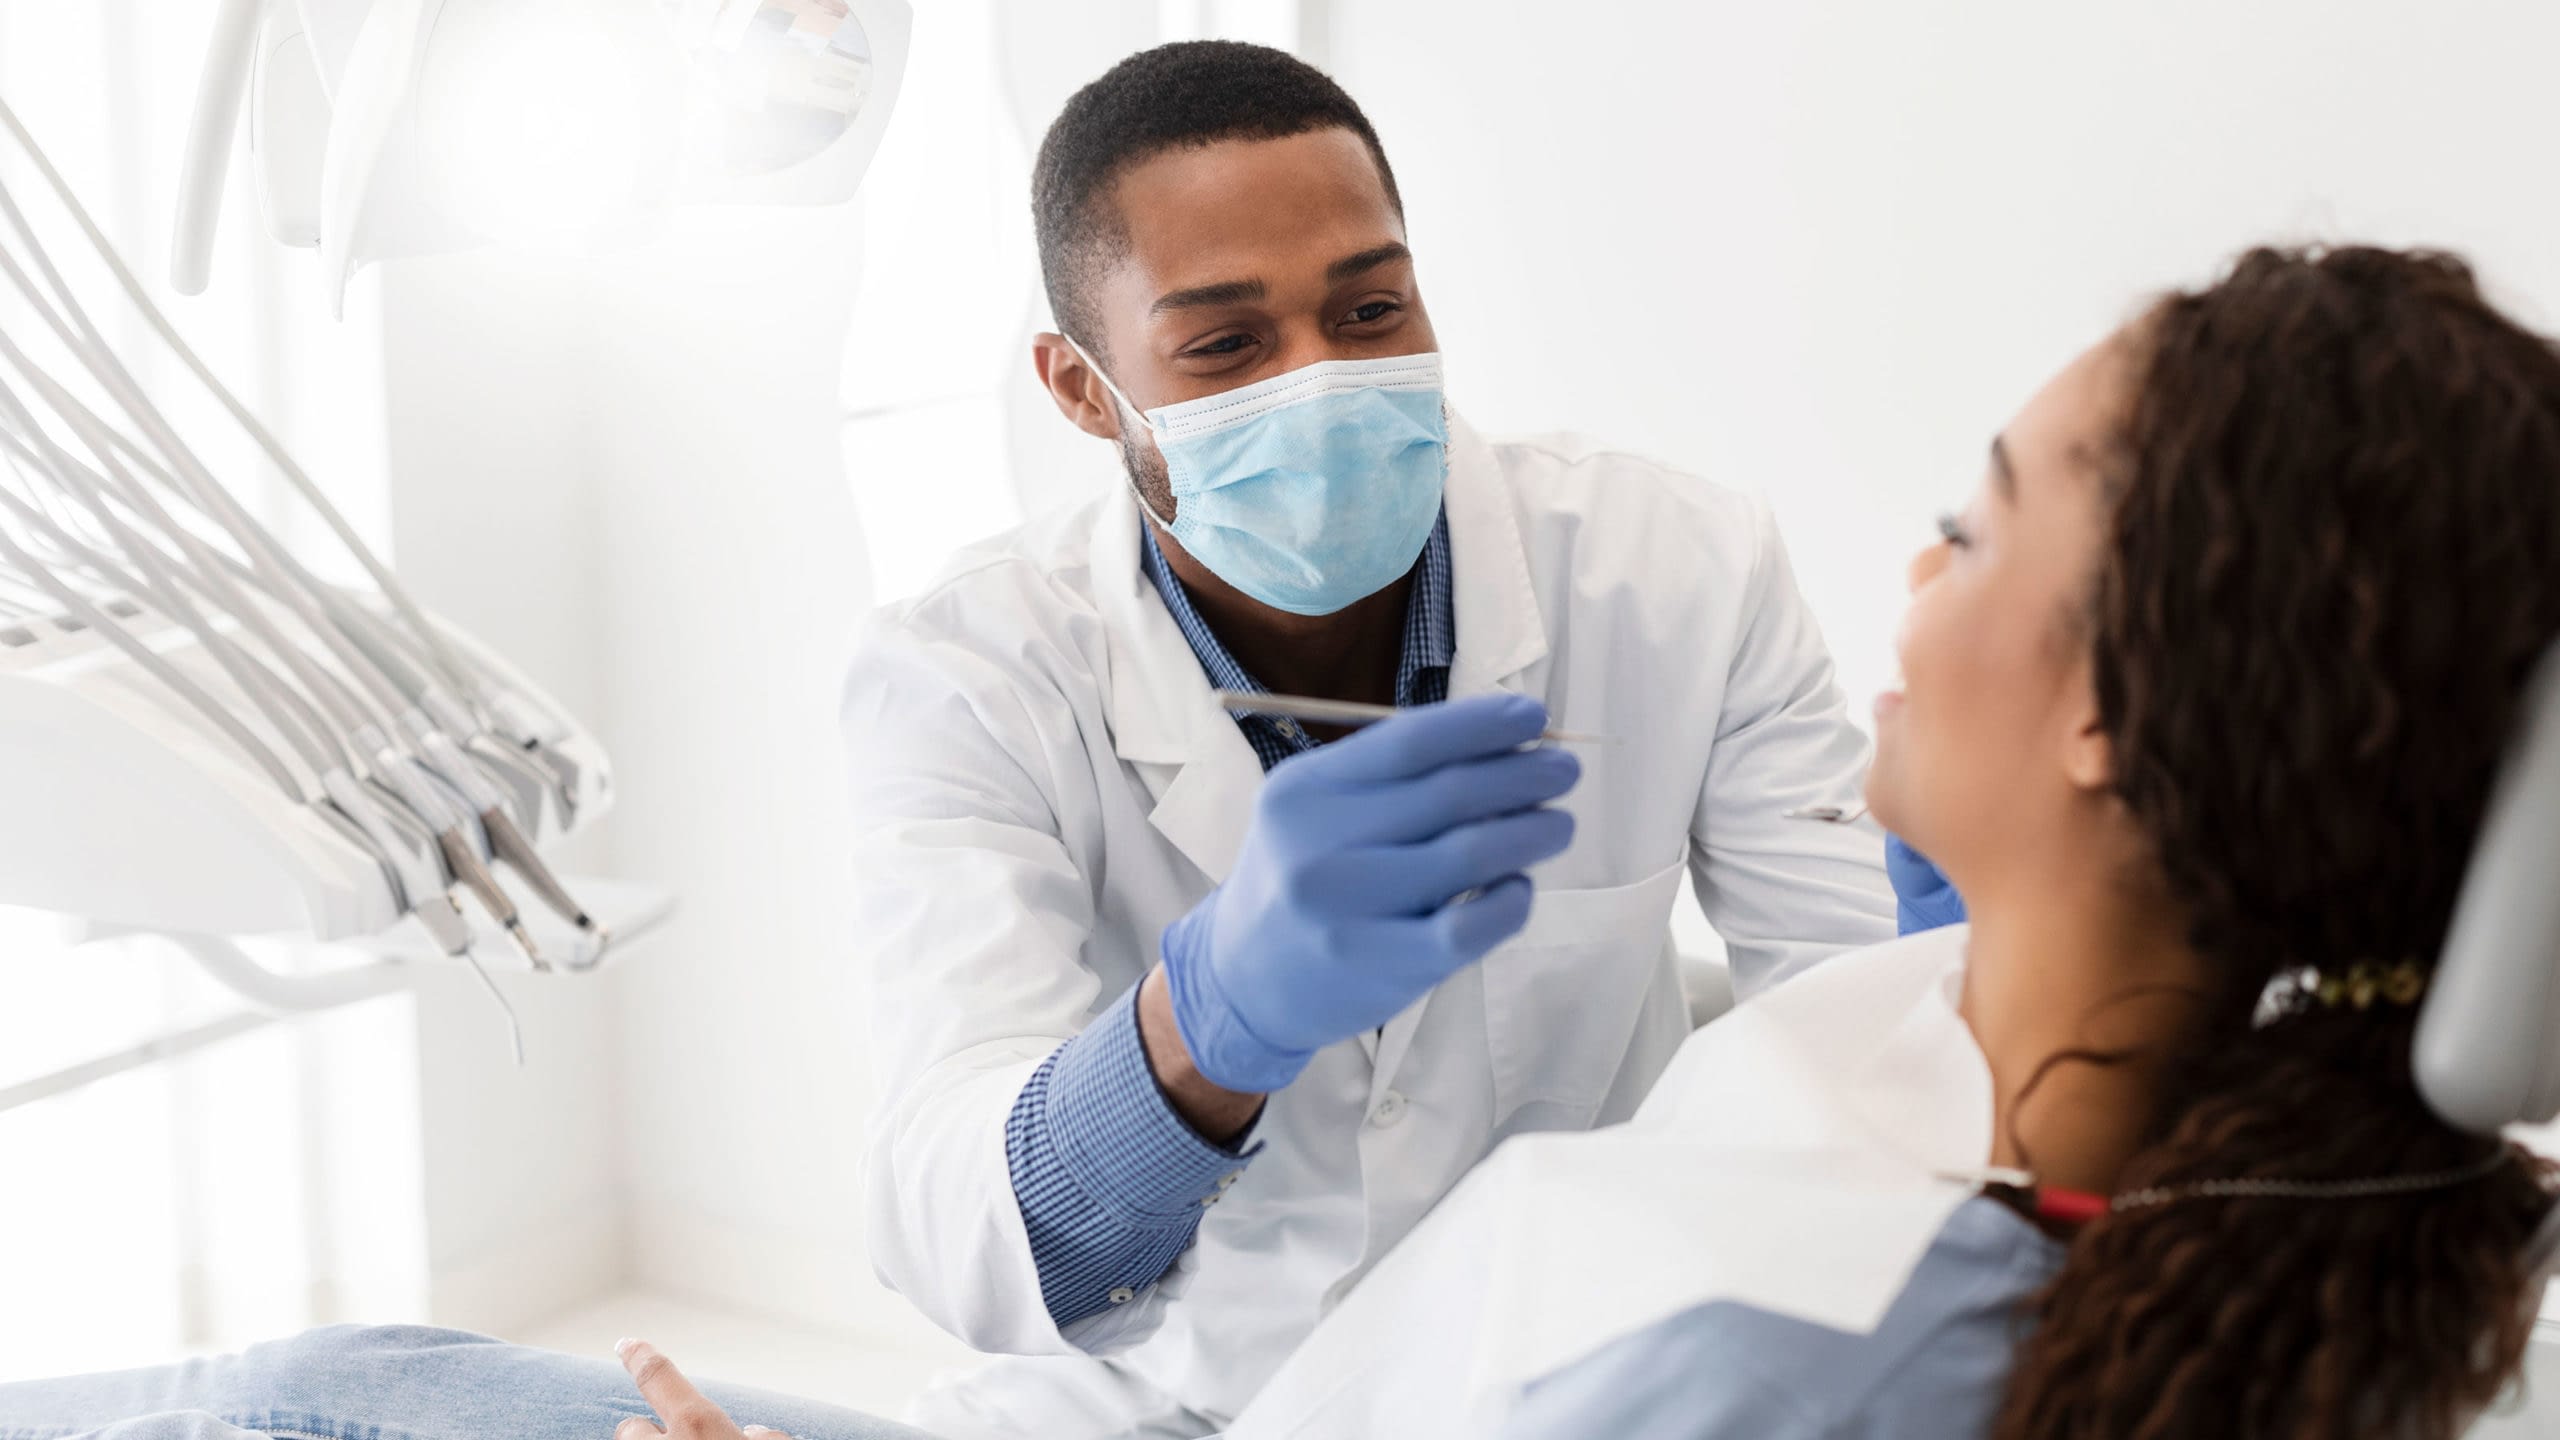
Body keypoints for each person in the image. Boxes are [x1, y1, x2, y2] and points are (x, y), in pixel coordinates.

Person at [1229, 243, 2560, 1440]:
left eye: (1968, 535)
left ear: (2116, 706)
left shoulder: (1781, 1374)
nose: (1918, 585)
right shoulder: (2278, 1197)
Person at [838, 39, 1905, 1437]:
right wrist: (1200, 1033)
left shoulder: (1676, 571)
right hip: (1160, 1401)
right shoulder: (966, 674)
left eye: (1370, 309)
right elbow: (952, 1217)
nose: (1323, 379)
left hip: (1568, 1373)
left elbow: (1867, 1034)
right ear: (1083, 389)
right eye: (1225, 341)